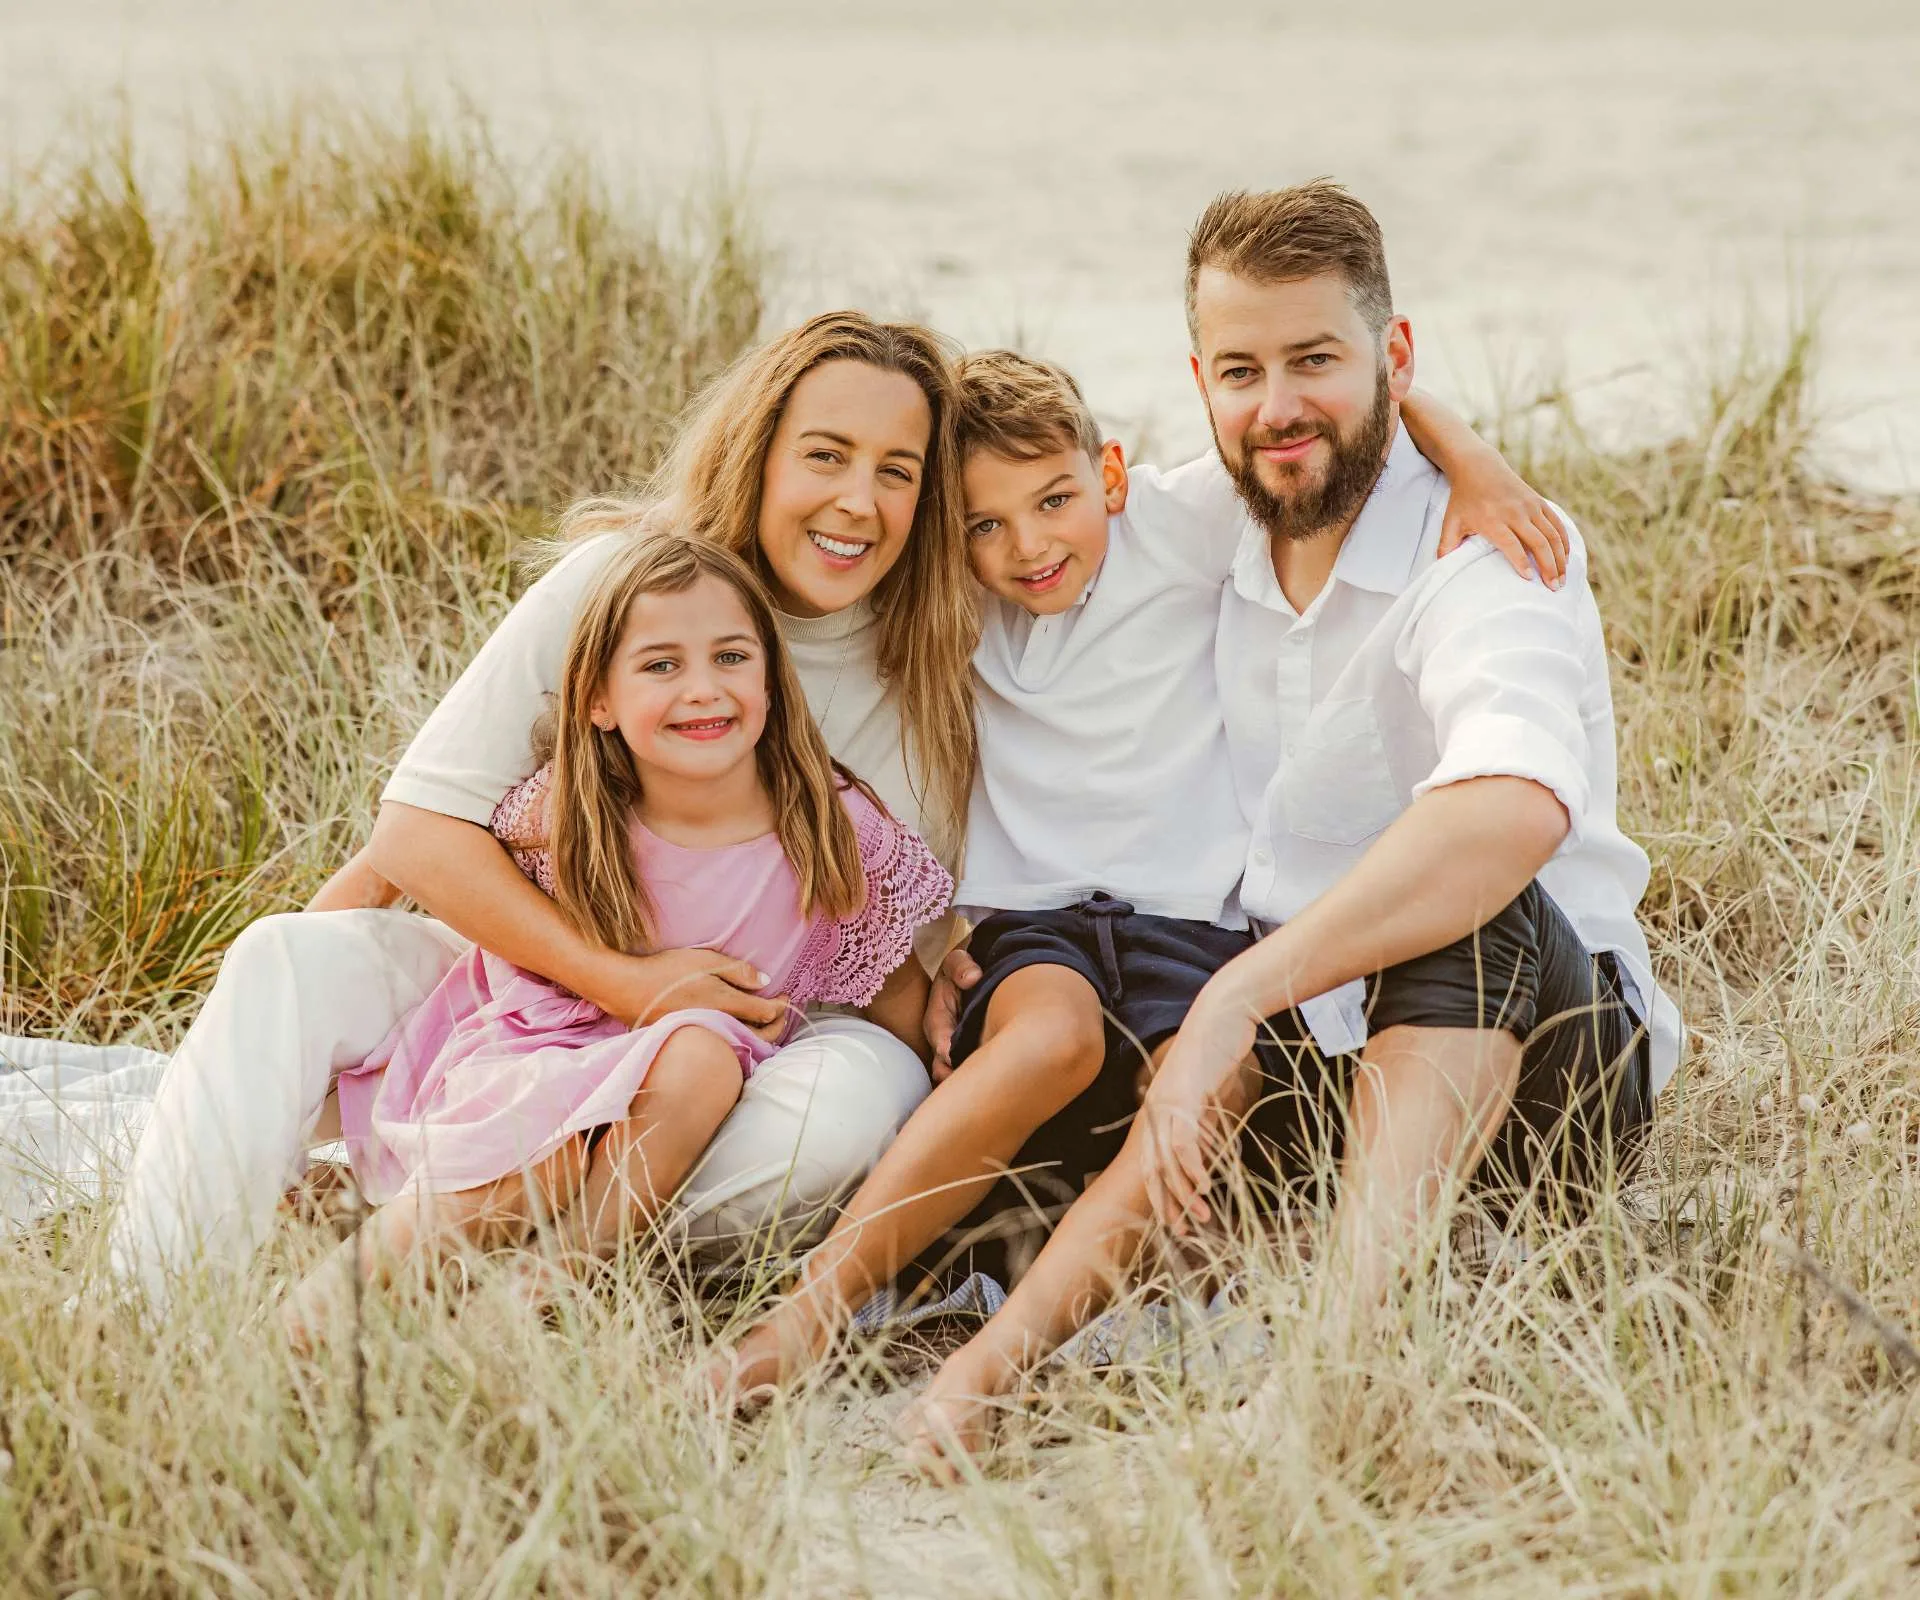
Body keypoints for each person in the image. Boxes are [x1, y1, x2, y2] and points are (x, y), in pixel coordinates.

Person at [899, 182, 1683, 1475]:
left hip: (1555, 1069)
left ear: (1394, 357)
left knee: (1454, 888)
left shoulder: (1487, 556)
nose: (1277, 406)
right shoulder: (1193, 526)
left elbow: (1512, 807)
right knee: (1090, 1038)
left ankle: (1334, 1373)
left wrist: (1240, 994)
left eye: (1316, 359)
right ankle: (977, 1375)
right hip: (1315, 1058)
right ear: (1200, 385)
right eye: (1242, 371)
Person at [709, 346, 1574, 1400]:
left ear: (1110, 475)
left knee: (1211, 1082)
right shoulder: (952, 598)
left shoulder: (1170, 526)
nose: (1029, 544)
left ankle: (993, 1365)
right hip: (1037, 925)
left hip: (1194, 928)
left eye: (1054, 501)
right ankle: (807, 1315)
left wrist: (1475, 463)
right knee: (1051, 1040)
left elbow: (1318, 431)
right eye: (985, 524)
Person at [99, 312, 979, 1310]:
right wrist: (624, 980)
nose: (858, 501)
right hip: (545, 987)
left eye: (897, 471)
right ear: (761, 451)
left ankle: (535, 1265)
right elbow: (416, 834)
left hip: (771, 1037)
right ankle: (150, 1303)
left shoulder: (942, 651)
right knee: (283, 961)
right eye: (825, 454)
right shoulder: (627, 584)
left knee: (839, 1117)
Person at [281, 532, 951, 1349]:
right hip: (546, 1049)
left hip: (684, 1096)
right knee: (533, 1164)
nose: (702, 689)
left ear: (772, 681)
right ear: (599, 700)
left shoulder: (830, 825)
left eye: (731, 657)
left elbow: (888, 981)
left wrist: (955, 1093)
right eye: (661, 665)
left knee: (701, 1053)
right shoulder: (570, 809)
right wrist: (295, 977)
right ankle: (301, 1334)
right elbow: (408, 858)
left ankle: (559, 1275)